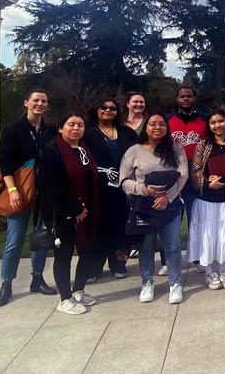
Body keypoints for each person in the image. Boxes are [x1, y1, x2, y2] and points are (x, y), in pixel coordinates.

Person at [0, 88, 57, 307]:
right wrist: (12, 191)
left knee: (40, 235)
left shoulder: (50, 130)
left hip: (43, 191)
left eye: (44, 101)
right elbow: (5, 164)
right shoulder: (14, 130)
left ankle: (37, 278)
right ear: (26, 103)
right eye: (36, 100)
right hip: (20, 189)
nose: (40, 104)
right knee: (15, 239)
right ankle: (6, 284)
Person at [120, 113, 188, 304]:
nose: (157, 127)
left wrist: (168, 196)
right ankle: (147, 282)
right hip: (144, 206)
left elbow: (183, 175)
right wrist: (144, 190)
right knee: (146, 246)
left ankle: (175, 283)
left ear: (167, 128)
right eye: (153, 124)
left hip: (170, 205)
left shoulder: (176, 148)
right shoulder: (134, 150)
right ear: (146, 127)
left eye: (161, 124)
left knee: (173, 246)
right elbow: (123, 181)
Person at [41, 113, 101, 315]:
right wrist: (75, 209)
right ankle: (64, 298)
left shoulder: (83, 149)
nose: (76, 128)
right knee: (64, 255)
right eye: (71, 124)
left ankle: (79, 290)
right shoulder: (53, 152)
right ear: (61, 128)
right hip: (64, 214)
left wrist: (87, 209)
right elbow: (51, 187)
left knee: (87, 251)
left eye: (80, 125)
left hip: (87, 212)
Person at [189, 109, 225, 290]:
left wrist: (223, 181)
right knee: (207, 236)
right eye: (213, 122)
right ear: (209, 125)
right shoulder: (202, 146)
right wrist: (207, 184)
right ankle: (209, 272)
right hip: (206, 199)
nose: (217, 126)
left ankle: (222, 270)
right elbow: (195, 171)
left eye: (220, 121)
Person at [83, 97, 139, 279]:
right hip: (98, 188)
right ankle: (94, 266)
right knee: (99, 226)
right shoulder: (88, 134)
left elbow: (139, 152)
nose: (108, 110)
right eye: (103, 107)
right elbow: (82, 159)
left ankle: (118, 262)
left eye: (112, 108)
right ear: (96, 111)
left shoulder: (126, 132)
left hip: (123, 188)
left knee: (121, 225)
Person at [166, 86, 206, 275]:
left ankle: (197, 256)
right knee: (172, 218)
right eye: (182, 96)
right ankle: (167, 260)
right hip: (173, 177)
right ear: (177, 99)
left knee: (195, 218)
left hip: (196, 176)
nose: (186, 99)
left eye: (189, 96)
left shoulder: (204, 119)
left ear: (194, 98)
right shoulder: (168, 120)